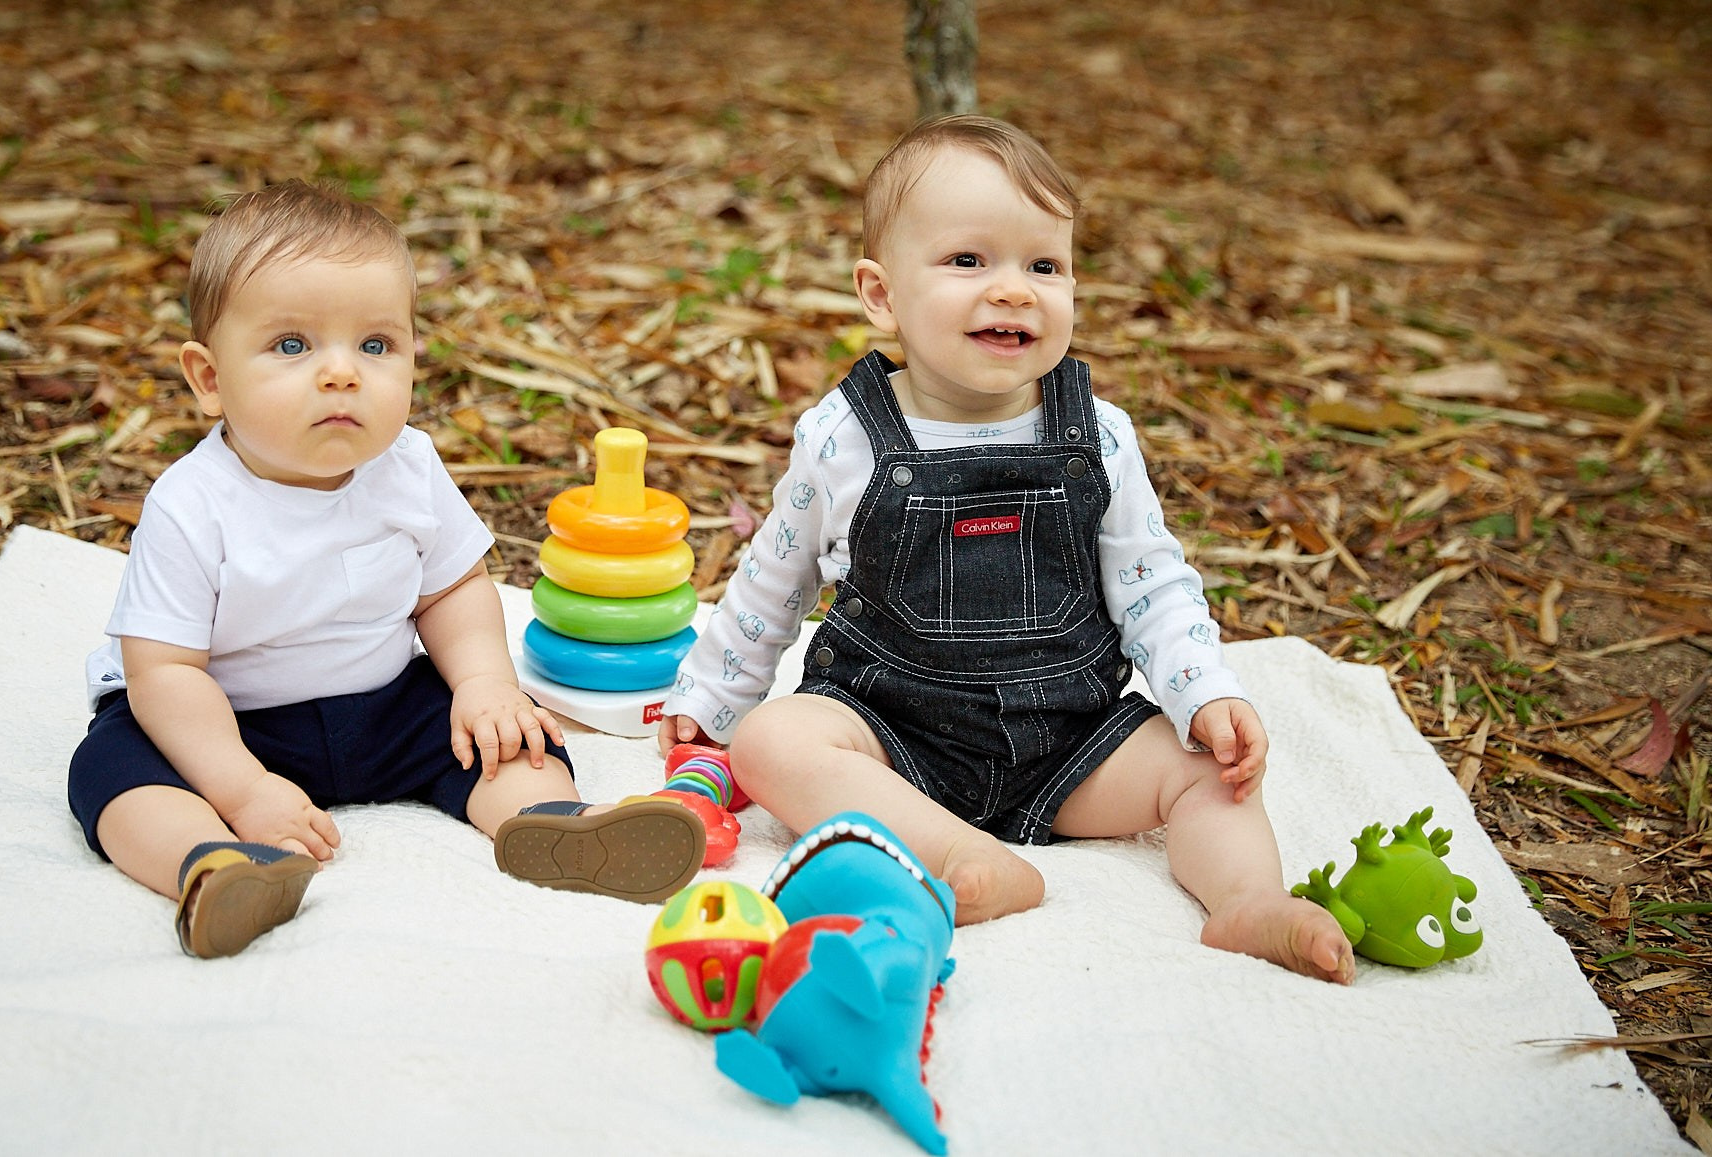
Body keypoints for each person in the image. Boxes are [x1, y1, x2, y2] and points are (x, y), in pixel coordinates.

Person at [658, 116, 1354, 983]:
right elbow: (773, 580)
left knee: (1206, 768)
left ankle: (1249, 900)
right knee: (772, 745)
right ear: (881, 294)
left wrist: (1203, 689)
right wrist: (714, 699)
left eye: (1044, 265)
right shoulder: (844, 437)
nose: (1015, 290)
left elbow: (1152, 584)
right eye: (968, 261)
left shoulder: (1097, 434)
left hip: (1069, 740)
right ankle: (957, 855)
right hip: (890, 733)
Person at [69, 182, 704, 958]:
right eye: (293, 345)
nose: (343, 374)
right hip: (222, 723)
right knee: (112, 770)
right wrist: (242, 788)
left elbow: (453, 586)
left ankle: (552, 826)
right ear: (209, 379)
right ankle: (212, 864)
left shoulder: (408, 466)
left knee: (509, 737)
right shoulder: (191, 505)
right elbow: (165, 671)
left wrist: (482, 684)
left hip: (379, 705)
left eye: (375, 346)